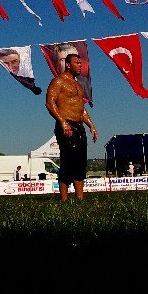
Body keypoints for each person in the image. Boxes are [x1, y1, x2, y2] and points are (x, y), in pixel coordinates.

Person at [45, 53, 98, 201]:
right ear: (68, 64)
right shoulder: (58, 81)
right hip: (66, 125)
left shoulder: (78, 85)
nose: (80, 66)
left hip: (79, 126)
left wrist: (91, 126)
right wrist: (62, 121)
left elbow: (82, 110)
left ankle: (80, 198)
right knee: (68, 161)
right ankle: (64, 199)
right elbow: (50, 103)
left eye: (81, 63)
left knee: (80, 162)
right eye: (77, 63)